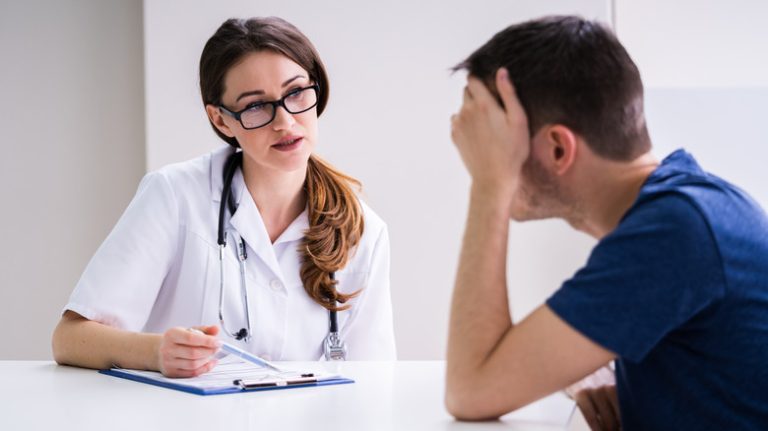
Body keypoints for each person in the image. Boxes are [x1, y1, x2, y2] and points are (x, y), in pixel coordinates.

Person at [445, 15, 768, 430]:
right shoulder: (691, 207)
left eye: (495, 140)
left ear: (559, 148)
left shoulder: (674, 233)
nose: (477, 157)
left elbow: (470, 390)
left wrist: (490, 184)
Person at [52, 17, 396, 378]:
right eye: (255, 106)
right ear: (220, 120)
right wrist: (156, 352)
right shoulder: (175, 196)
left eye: (295, 93)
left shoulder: (364, 232)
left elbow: (373, 380)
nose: (284, 122)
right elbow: (69, 339)